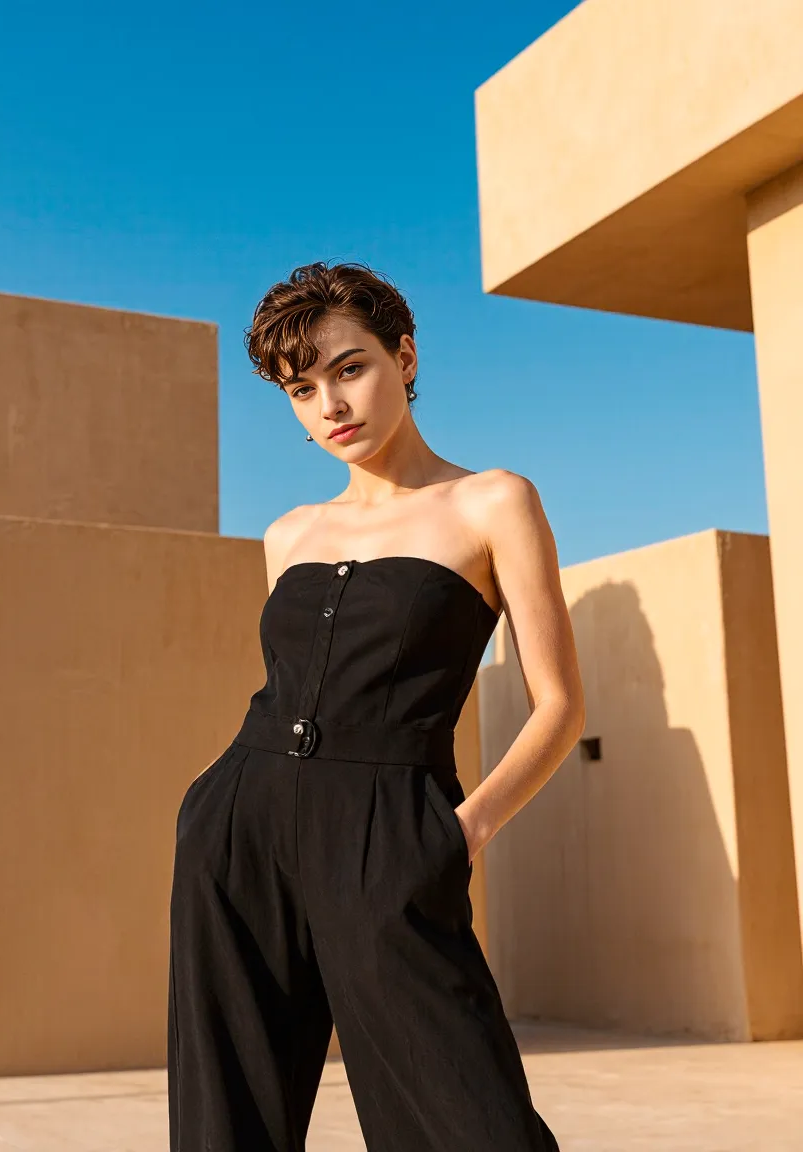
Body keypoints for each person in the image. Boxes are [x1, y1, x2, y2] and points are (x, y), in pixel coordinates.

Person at [167, 260, 584, 1151]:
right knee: (226, 1116)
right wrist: (212, 804)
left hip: (392, 828)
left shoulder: (491, 501)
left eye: (349, 368)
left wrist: (460, 832)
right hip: (241, 824)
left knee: (468, 1115)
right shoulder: (289, 533)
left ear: (403, 355)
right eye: (302, 388)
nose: (331, 406)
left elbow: (557, 705)